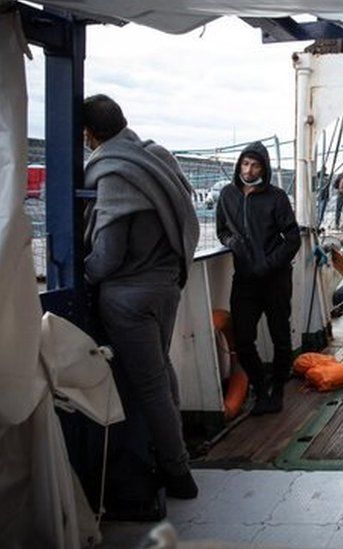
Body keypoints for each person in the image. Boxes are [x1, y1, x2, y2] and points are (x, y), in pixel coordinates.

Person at [82, 94, 200, 499]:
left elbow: (108, 254)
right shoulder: (158, 158)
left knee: (149, 386)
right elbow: (186, 220)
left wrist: (86, 273)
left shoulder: (114, 173)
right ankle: (177, 455)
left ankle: (178, 473)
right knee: (163, 373)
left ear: (88, 135)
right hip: (166, 287)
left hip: (127, 299)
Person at [216, 141, 301, 416]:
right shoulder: (227, 195)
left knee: (280, 337)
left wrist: (269, 263)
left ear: (263, 167)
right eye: (245, 163)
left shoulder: (276, 198)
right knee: (242, 338)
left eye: (255, 165)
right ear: (239, 164)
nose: (249, 169)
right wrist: (233, 242)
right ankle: (260, 387)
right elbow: (221, 231)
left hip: (275, 280)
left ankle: (277, 392)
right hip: (245, 280)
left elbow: (293, 239)